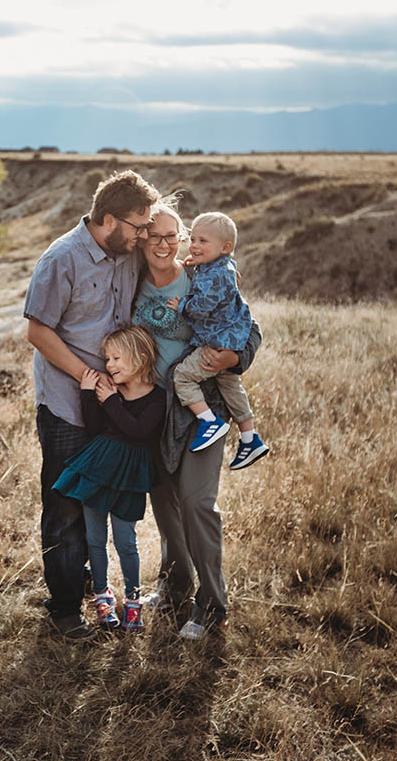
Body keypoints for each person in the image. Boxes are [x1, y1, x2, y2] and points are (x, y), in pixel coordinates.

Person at [24, 170, 160, 641]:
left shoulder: (125, 251)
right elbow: (38, 332)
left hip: (114, 405)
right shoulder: (61, 259)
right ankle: (63, 610)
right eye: (138, 226)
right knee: (63, 506)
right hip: (66, 403)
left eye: (146, 228)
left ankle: (85, 579)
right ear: (107, 218)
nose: (143, 235)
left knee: (97, 502)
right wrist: (85, 376)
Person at [131, 199, 262, 640]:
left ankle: (211, 603)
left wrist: (237, 355)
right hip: (150, 408)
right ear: (141, 239)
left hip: (202, 407)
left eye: (173, 234)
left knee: (196, 502)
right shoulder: (128, 282)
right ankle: (174, 587)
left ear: (183, 237)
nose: (164, 243)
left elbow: (248, 326)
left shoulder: (204, 275)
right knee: (165, 505)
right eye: (154, 235)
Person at [52, 326, 165, 631]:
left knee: (126, 542)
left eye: (116, 358)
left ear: (141, 358)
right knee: (95, 539)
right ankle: (102, 597)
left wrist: (112, 401)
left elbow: (139, 431)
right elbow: (95, 427)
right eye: (107, 358)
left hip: (130, 475)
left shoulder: (157, 397)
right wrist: (90, 394)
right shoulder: (108, 390)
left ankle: (132, 601)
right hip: (98, 469)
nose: (109, 364)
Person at [168, 211, 269, 470]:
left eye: (203, 241)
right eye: (192, 239)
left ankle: (208, 420)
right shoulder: (223, 266)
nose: (194, 245)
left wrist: (182, 305)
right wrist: (199, 262)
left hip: (216, 342)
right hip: (230, 337)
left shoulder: (216, 275)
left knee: (183, 376)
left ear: (225, 247)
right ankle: (250, 437)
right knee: (230, 385)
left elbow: (201, 307)